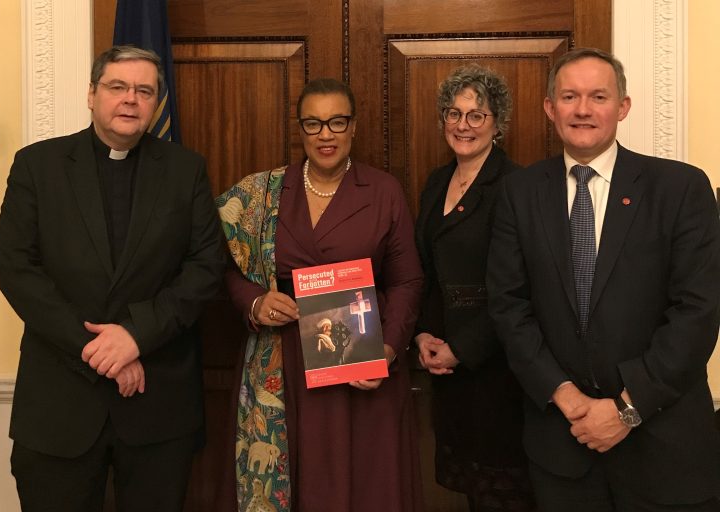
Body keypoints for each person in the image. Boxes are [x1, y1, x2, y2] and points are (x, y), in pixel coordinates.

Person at [487, 47, 720, 511]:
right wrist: (566, 395)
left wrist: (626, 408)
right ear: (551, 108)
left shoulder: (680, 188)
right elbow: (508, 306)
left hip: (665, 448)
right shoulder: (519, 193)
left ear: (623, 107)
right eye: (569, 97)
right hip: (563, 445)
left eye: (598, 96)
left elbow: (699, 312)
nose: (583, 109)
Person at [0, 45, 226, 511]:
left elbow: (205, 269)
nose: (130, 100)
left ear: (157, 104)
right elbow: (17, 269)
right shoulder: (37, 166)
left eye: (144, 91)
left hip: (157, 406)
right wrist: (99, 351)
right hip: (59, 404)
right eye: (117, 87)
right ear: (91, 94)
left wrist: (136, 337)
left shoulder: (186, 170)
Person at [216, 78, 424, 511]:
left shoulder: (383, 190)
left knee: (367, 486)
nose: (325, 134)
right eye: (313, 123)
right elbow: (224, 266)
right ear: (300, 129)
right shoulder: (266, 192)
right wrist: (254, 301)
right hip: (283, 361)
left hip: (362, 364)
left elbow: (406, 281)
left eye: (336, 122)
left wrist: (387, 348)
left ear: (354, 127)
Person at [414, 64, 534, 511]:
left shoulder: (517, 186)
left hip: (497, 368)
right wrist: (423, 334)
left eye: (476, 115)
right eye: (453, 113)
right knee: (470, 493)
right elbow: (426, 270)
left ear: (497, 124)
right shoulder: (435, 183)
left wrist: (463, 348)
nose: (462, 125)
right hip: (447, 370)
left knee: (503, 495)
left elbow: (523, 287)